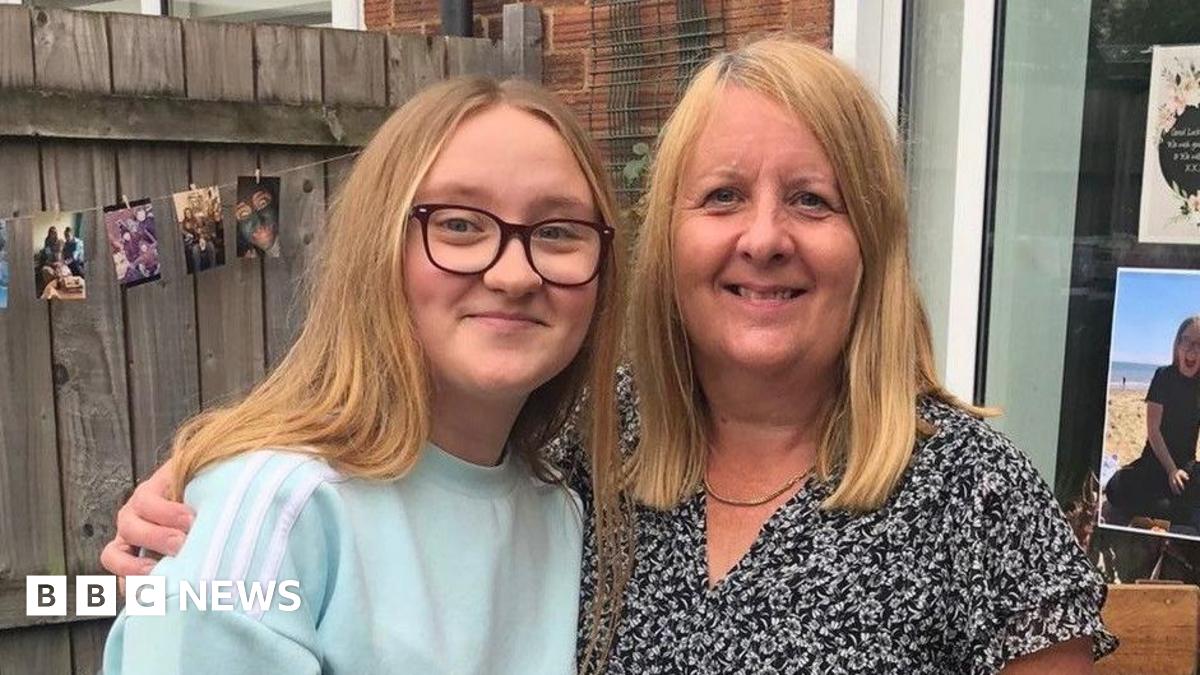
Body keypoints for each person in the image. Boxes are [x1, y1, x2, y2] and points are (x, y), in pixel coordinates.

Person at [104, 38, 1116, 675]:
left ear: (874, 243)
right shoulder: (589, 452)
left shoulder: (969, 489)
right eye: (723, 197)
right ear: (665, 238)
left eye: (814, 200)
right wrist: (220, 485)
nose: (765, 237)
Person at [101, 76, 627, 675]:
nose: (514, 276)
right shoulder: (278, 510)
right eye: (459, 224)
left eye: (558, 232)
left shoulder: (564, 509)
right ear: (379, 245)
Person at [1104, 315, 1200, 529]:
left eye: (1199, 344)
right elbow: (1153, 430)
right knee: (1116, 488)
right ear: (1177, 344)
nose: (1192, 349)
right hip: (1155, 462)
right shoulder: (1163, 376)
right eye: (1186, 340)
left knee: (1184, 492)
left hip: (1186, 468)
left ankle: (1174, 510)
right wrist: (1171, 470)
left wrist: (1180, 471)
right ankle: (1177, 511)